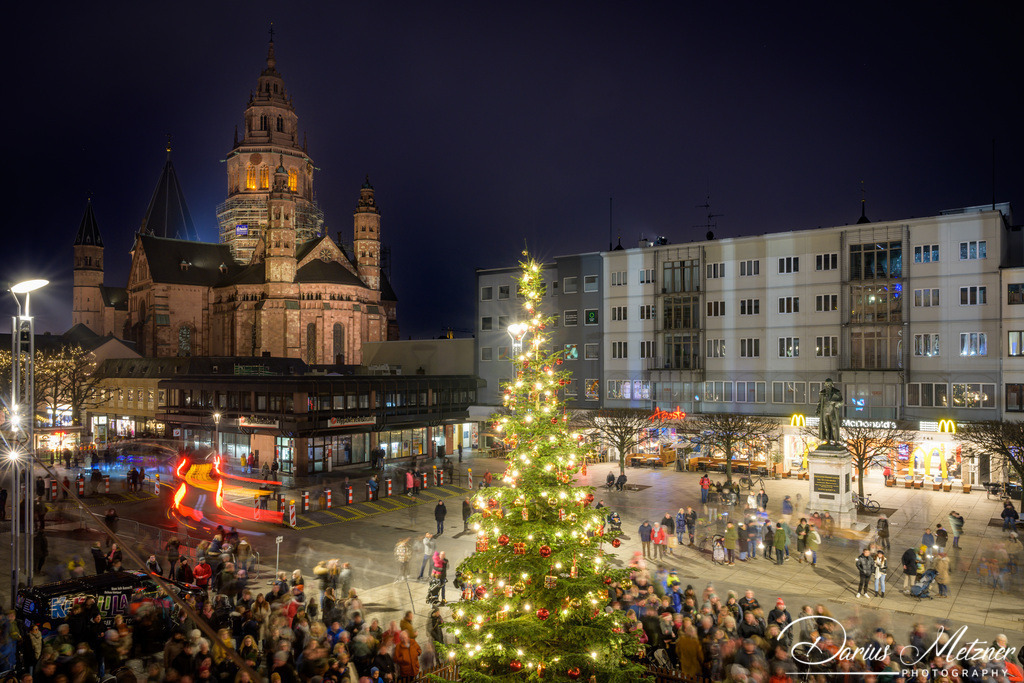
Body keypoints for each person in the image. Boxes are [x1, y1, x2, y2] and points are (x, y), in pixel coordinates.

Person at [815, 378, 843, 443]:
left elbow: (841, 402)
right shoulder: (822, 393)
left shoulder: (836, 392)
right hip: (824, 411)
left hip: (832, 411)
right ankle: (827, 440)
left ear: (832, 384)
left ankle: (835, 440)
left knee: (834, 426)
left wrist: (835, 402)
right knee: (825, 426)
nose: (828, 386)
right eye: (827, 384)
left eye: (829, 384)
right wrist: (817, 410)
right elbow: (819, 402)